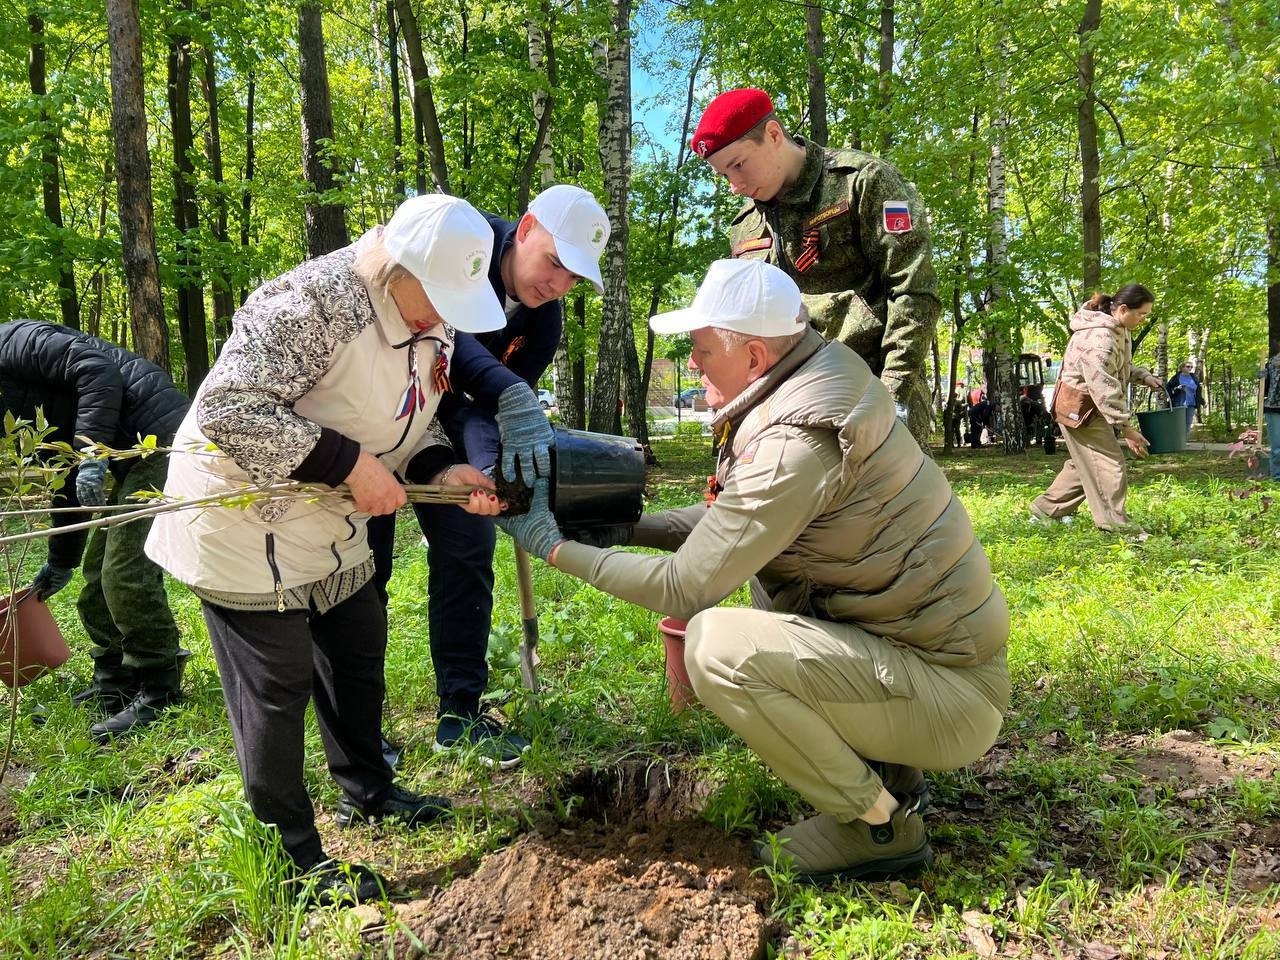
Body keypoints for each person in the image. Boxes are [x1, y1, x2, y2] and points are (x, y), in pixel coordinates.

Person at [499, 259, 1010, 883]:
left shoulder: (797, 439)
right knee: (766, 595)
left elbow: (686, 585)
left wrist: (554, 548)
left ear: (755, 356)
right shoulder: (810, 384)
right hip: (925, 662)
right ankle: (889, 773)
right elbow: (734, 522)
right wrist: (622, 529)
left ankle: (878, 824)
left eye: (702, 349)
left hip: (952, 699)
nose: (692, 363)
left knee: (717, 647)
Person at [146, 194, 505, 905]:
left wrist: (441, 469)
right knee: (276, 681)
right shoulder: (315, 302)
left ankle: (367, 789)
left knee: (357, 642)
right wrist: (349, 464)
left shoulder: (430, 317)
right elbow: (229, 407)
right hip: (243, 509)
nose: (443, 318)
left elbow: (413, 419)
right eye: (438, 298)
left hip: (328, 516)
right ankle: (291, 859)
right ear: (400, 267)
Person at [367, 184, 609, 769]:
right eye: (555, 262)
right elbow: (452, 341)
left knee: (468, 546)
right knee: (365, 564)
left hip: (447, 431)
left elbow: (486, 409)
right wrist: (510, 390)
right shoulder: (464, 244)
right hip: (378, 416)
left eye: (575, 277)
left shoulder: (544, 321)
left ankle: (460, 712)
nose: (559, 284)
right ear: (525, 229)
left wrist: (494, 470)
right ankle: (360, 726)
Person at [690, 88, 940, 448]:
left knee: (886, 485)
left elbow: (913, 289)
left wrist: (892, 394)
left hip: (869, 388)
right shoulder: (746, 225)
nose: (734, 186)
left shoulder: (860, 181)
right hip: (789, 410)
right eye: (723, 174)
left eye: (738, 165)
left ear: (773, 134)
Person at [0, 321, 189, 741]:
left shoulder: (13, 343)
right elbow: (66, 476)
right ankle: (117, 681)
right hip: (124, 455)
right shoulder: (10, 410)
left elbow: (95, 368)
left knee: (123, 572)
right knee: (95, 573)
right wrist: (60, 560)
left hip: (159, 439)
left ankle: (159, 687)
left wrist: (91, 453)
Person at [1030, 284, 1163, 537]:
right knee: (1109, 465)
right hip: (1080, 409)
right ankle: (1117, 527)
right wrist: (1127, 429)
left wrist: (1143, 376)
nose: (1143, 319)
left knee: (1086, 463)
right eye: (1141, 314)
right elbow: (1104, 388)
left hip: (1092, 407)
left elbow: (1119, 367)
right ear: (1123, 309)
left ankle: (1044, 510)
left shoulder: (1119, 330)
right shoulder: (1100, 339)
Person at [1165, 360, 1203, 435]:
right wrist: (1177, 388)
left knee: (1188, 423)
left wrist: (1202, 402)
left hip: (1191, 404)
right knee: (1178, 423)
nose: (1190, 368)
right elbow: (1168, 388)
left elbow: (1197, 391)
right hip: (1179, 403)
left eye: (1191, 367)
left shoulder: (1193, 378)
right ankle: (1177, 438)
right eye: (1188, 366)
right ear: (1182, 368)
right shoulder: (1176, 377)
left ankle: (1184, 439)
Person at [1263, 350, 1280, 481]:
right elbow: (1265, 387)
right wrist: (1262, 377)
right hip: (1274, 408)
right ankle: (1277, 476)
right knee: (1276, 446)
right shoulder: (1272, 362)